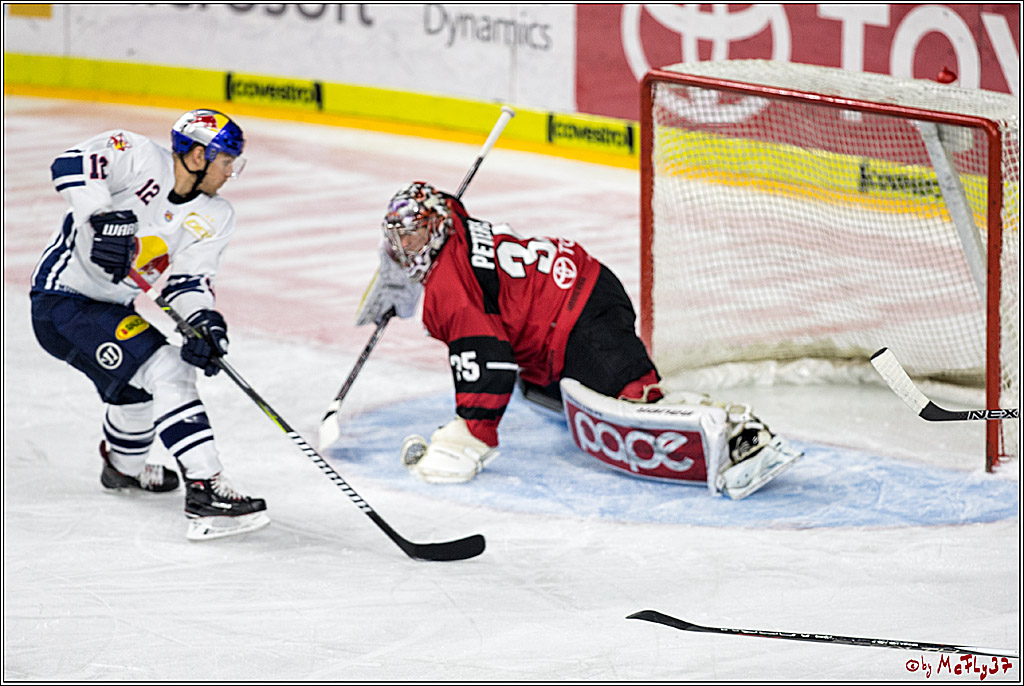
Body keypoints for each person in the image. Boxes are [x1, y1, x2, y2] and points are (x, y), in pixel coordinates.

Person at [356, 181, 802, 499]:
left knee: (638, 399)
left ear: (434, 230)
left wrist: (469, 438)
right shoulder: (452, 218)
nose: (402, 248)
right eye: (396, 238)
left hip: (580, 317)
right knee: (589, 384)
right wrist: (397, 285)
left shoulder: (451, 292)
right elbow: (447, 210)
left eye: (412, 235)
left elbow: (487, 359)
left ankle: (744, 441)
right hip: (577, 294)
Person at [30, 109, 270, 540]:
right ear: (198, 156)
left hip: (112, 307)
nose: (231, 171)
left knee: (136, 392)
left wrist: (203, 322)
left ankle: (123, 469)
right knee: (168, 369)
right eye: (226, 161)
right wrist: (100, 217)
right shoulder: (137, 155)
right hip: (61, 301)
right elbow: (68, 164)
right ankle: (206, 487)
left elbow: (188, 282)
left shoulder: (216, 216)